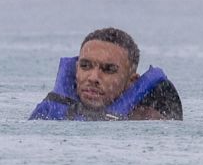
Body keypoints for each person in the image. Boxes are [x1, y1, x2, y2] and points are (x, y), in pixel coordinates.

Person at [29, 27, 183, 121]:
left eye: (108, 69)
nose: (93, 78)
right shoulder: (49, 111)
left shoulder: (147, 120)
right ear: (76, 70)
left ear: (131, 81)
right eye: (85, 66)